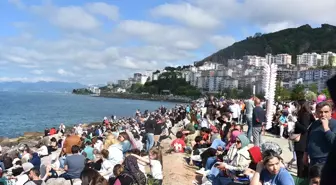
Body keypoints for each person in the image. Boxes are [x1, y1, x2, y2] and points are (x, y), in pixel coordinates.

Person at [305, 101, 336, 167]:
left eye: (326, 112)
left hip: (326, 160)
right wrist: (305, 154)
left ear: (331, 112)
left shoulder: (334, 124)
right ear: (316, 112)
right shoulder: (315, 123)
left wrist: (326, 128)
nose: (323, 114)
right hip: (313, 159)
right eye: (320, 112)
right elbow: (309, 139)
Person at [294, 100, 315, 178]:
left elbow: (304, 128)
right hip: (304, 141)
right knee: (302, 163)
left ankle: (300, 179)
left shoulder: (305, 114)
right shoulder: (308, 114)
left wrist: (295, 122)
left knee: (300, 164)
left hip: (302, 141)